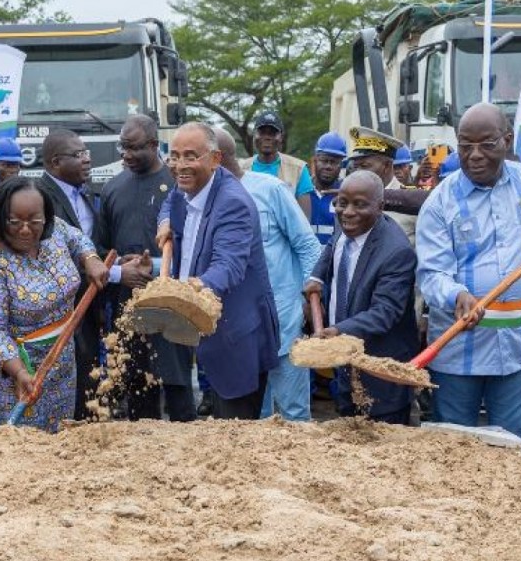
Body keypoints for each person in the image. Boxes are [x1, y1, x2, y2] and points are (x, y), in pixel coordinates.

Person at [417, 104, 521, 442]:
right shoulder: (439, 203)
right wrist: (457, 295)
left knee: (512, 442)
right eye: (465, 146)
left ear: (507, 141)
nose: (474, 155)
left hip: (518, 345)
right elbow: (432, 274)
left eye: (486, 144)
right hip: (458, 347)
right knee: (453, 442)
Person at [0, 176, 109, 430]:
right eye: (15, 221)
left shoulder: (54, 231)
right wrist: (19, 372)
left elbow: (76, 239)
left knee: (59, 428)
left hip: (60, 354)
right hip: (12, 370)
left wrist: (91, 259)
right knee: (23, 438)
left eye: (34, 220)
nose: (26, 229)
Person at [157, 122, 280, 419]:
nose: (180, 166)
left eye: (190, 156)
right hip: (202, 332)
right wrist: (164, 223)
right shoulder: (186, 186)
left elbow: (229, 267)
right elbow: (170, 202)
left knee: (234, 437)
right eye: (174, 156)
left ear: (215, 160)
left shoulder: (233, 204)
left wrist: (185, 292)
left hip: (236, 337)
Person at [96, 114, 195, 421]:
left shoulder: (179, 186)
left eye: (134, 148)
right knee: (137, 387)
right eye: (122, 147)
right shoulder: (112, 188)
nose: (126, 155)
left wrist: (152, 269)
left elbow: (194, 248)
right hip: (129, 306)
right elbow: (101, 248)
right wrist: (121, 273)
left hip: (172, 304)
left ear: (153, 145)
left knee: (178, 385)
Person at [217, 129, 319, 421]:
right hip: (240, 328)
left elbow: (307, 244)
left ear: (216, 158)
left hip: (283, 317)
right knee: (254, 416)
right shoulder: (206, 199)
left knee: (293, 411)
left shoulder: (270, 189)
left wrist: (308, 298)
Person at [303, 170, 418, 424]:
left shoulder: (396, 252)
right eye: (342, 202)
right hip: (344, 370)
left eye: (359, 204)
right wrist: (317, 277)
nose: (348, 211)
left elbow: (385, 312)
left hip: (379, 377)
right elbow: (332, 246)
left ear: (380, 207)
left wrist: (337, 331)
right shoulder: (345, 224)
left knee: (381, 456)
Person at [36, 129, 107, 419]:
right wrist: (114, 273)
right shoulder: (40, 198)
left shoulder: (88, 193)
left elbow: (91, 243)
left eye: (87, 152)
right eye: (79, 155)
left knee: (88, 375)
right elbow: (57, 255)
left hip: (91, 305)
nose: (88, 160)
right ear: (54, 162)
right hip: (59, 310)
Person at [241, 110, 312, 216]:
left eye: (272, 133)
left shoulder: (299, 169)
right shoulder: (240, 169)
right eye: (262, 132)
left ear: (281, 138)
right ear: (254, 135)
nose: (267, 137)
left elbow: (305, 219)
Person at [307, 132, 347, 242]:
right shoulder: (302, 191)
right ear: (315, 160)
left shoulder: (346, 194)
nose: (328, 166)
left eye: (334, 162)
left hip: (333, 257)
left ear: (341, 165)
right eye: (324, 161)